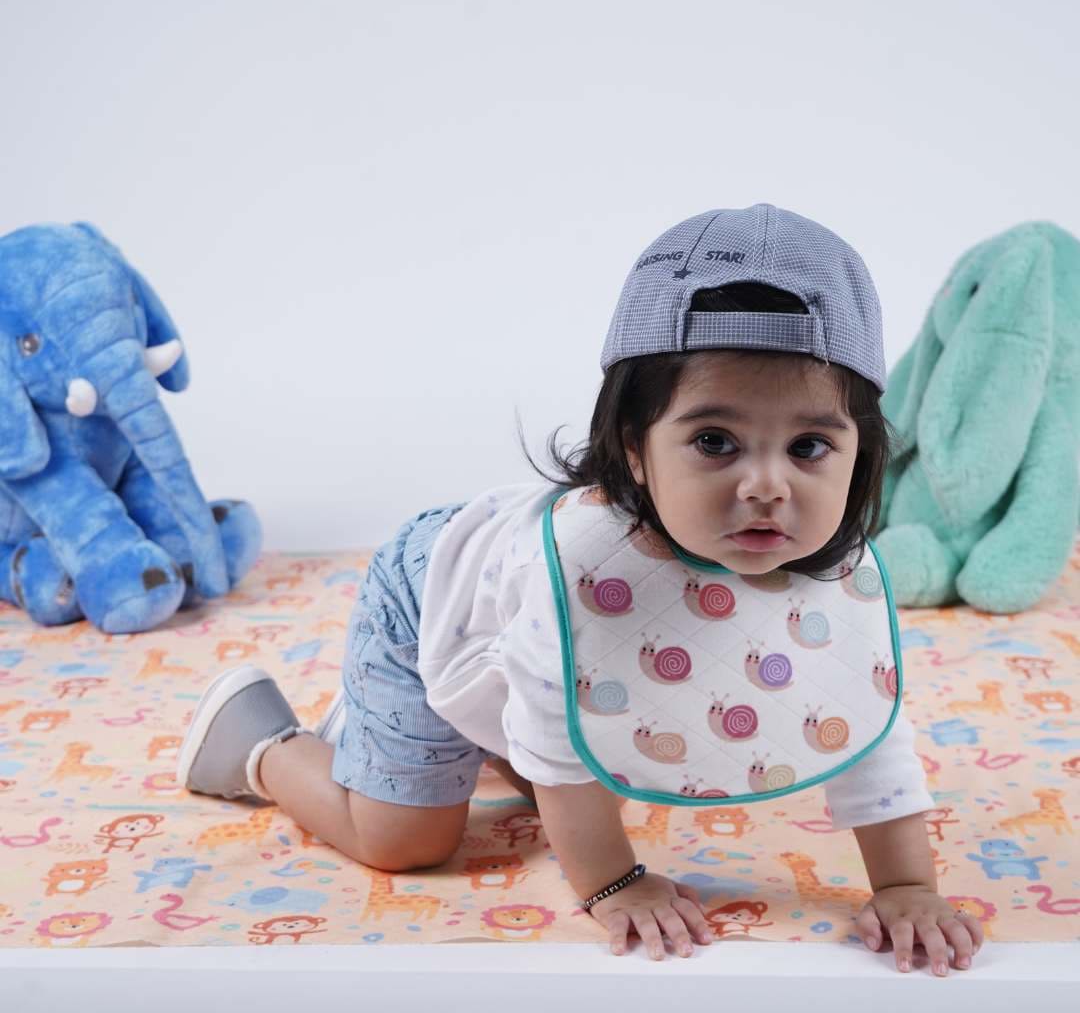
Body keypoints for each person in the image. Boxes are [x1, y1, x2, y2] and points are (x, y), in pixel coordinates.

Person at [176, 203, 984, 971]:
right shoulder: (583, 572)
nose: (766, 484)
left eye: (809, 446)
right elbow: (558, 742)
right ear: (634, 449)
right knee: (410, 842)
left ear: (860, 454)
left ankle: (455, 738)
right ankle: (260, 743)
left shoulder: (834, 574)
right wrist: (612, 881)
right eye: (715, 440)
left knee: (583, 769)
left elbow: (859, 719)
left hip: (530, 663)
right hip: (438, 603)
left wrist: (906, 887)